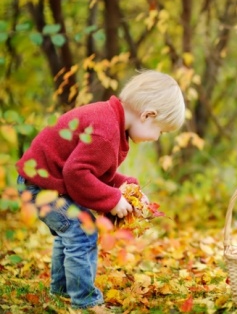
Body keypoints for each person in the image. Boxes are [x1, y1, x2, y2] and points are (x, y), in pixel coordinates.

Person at [15, 70, 186, 311]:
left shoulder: (110, 122)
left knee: (70, 235)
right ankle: (85, 302)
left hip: (42, 183)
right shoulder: (106, 132)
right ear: (148, 115)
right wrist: (112, 199)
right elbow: (76, 174)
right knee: (82, 232)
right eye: (161, 131)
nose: (158, 138)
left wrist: (126, 187)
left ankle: (62, 290)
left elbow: (94, 170)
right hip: (39, 186)